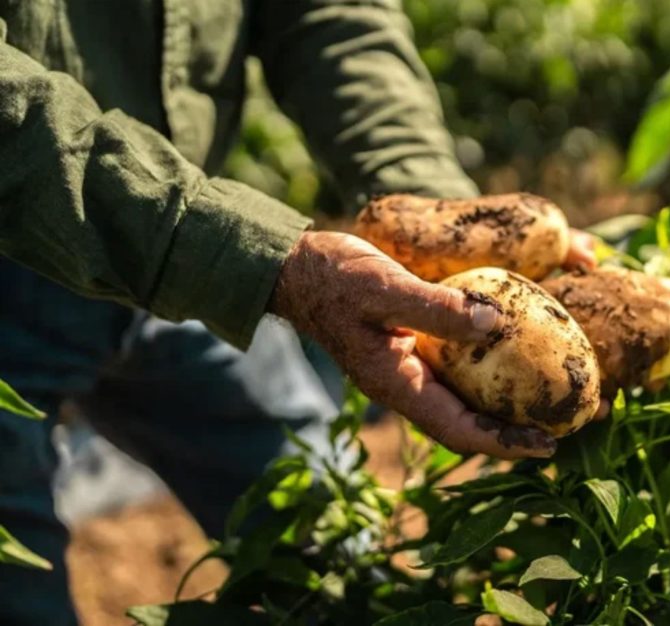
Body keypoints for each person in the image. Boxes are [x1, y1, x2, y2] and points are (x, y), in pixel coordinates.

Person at [0, 2, 596, 624]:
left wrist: (432, 216)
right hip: (101, 243)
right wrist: (274, 266)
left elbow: (327, 13)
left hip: (194, 246)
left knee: (331, 550)